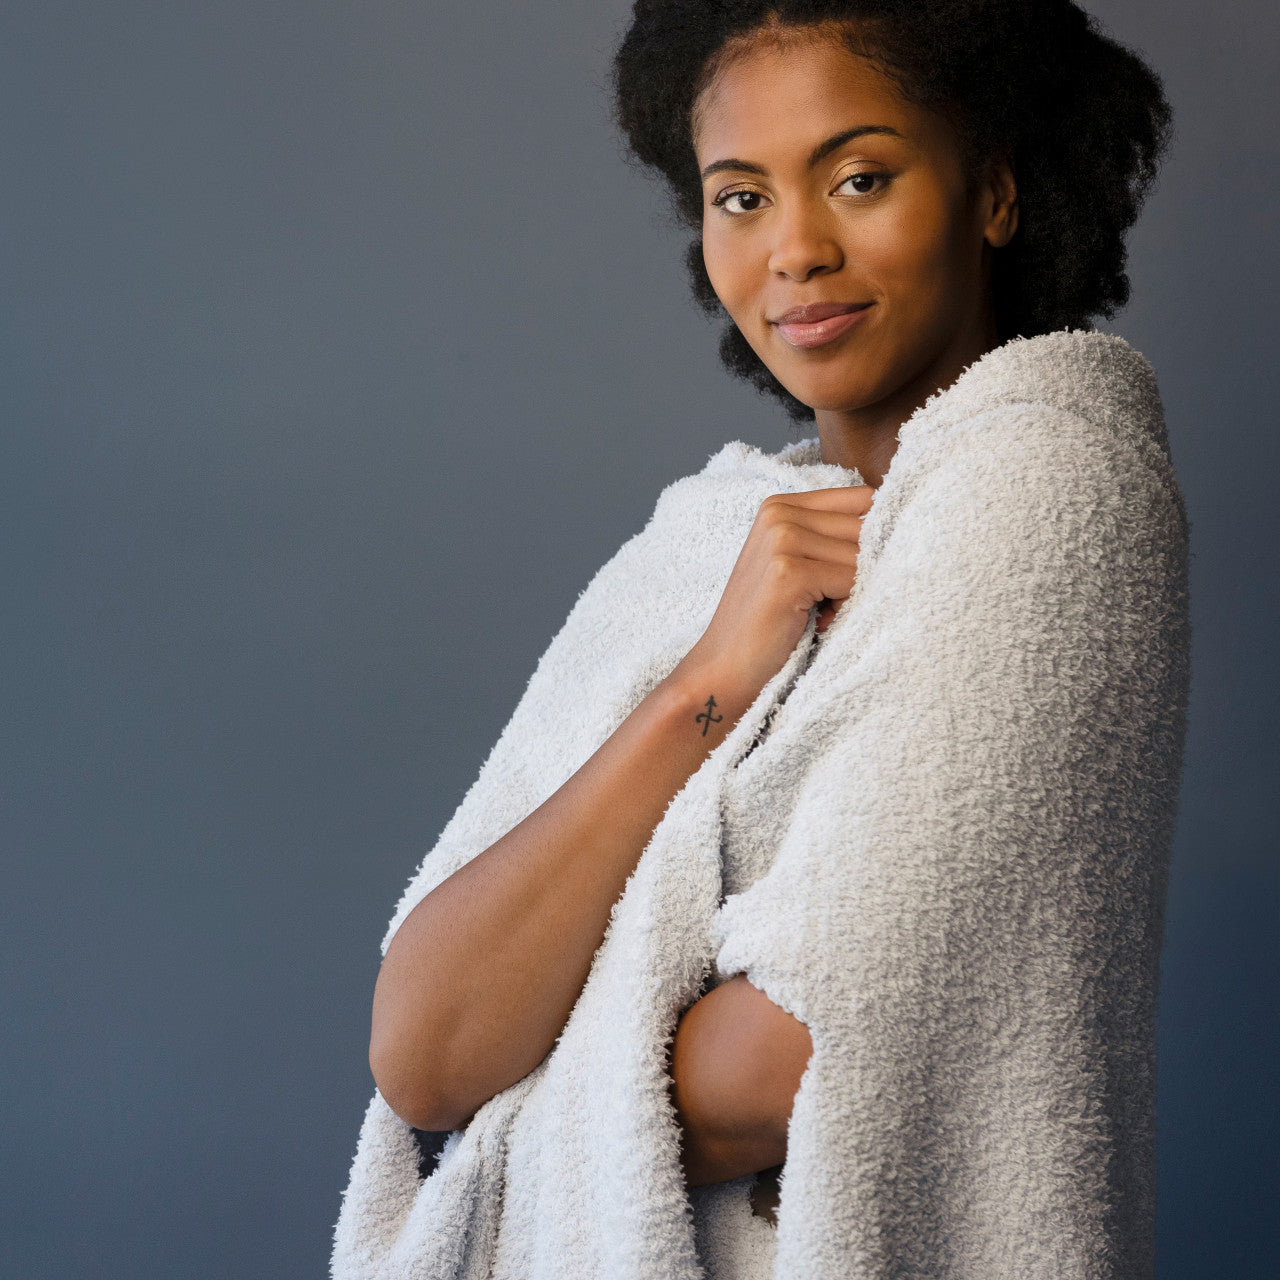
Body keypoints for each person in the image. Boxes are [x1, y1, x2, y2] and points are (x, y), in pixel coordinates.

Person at [341, 3, 1182, 1277]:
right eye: (740, 197)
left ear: (995, 190)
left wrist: (518, 1101)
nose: (794, 249)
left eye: (859, 178)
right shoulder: (707, 546)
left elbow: (808, 1041)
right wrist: (711, 675)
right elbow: (426, 1050)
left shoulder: (1045, 482)